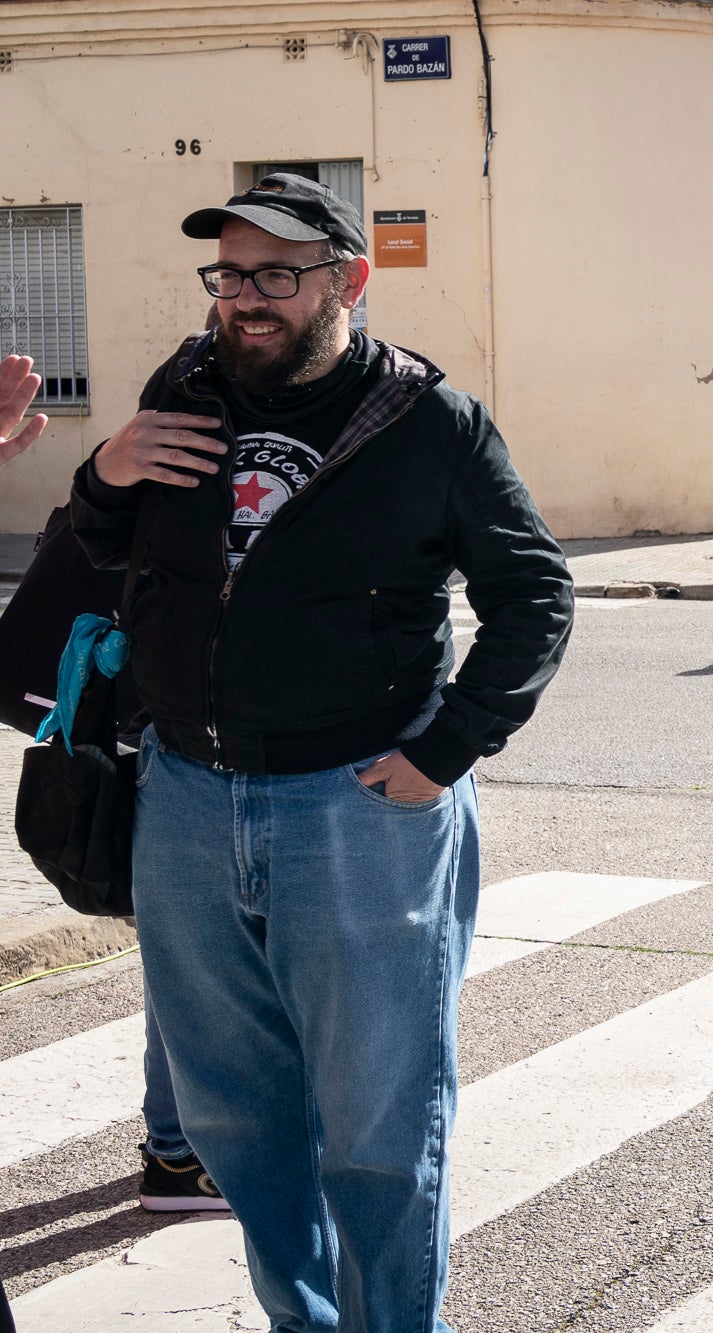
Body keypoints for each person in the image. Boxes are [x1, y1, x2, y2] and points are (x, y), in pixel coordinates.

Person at [66, 173, 574, 1331]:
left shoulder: (426, 421)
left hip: (359, 807)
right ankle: (309, 1318)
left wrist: (446, 750)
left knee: (381, 1123)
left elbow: (534, 591)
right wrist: (107, 474)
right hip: (189, 801)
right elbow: (108, 552)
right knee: (233, 1113)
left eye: (277, 276)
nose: (247, 300)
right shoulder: (183, 388)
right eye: (230, 274)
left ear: (348, 281)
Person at [0, 353, 228, 1215]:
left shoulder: (168, 412)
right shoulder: (199, 420)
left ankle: (181, 1147)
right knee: (204, 957)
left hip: (148, 744)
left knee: (188, 955)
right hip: (169, 752)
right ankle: (182, 1149)